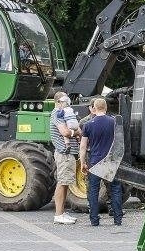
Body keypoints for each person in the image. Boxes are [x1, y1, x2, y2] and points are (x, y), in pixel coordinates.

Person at [79, 97, 124, 226]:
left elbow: (83, 147)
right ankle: (117, 219)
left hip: (95, 161)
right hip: (111, 161)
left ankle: (94, 220)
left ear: (94, 108)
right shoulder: (114, 122)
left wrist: (83, 163)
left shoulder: (88, 125)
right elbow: (120, 143)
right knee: (115, 189)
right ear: (106, 107)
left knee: (93, 191)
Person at [50, 91, 81, 225]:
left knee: (66, 182)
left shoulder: (63, 114)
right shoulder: (57, 114)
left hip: (68, 153)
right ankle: (58, 214)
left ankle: (62, 212)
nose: (67, 103)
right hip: (64, 153)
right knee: (62, 182)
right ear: (58, 101)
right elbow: (65, 132)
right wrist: (76, 132)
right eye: (64, 101)